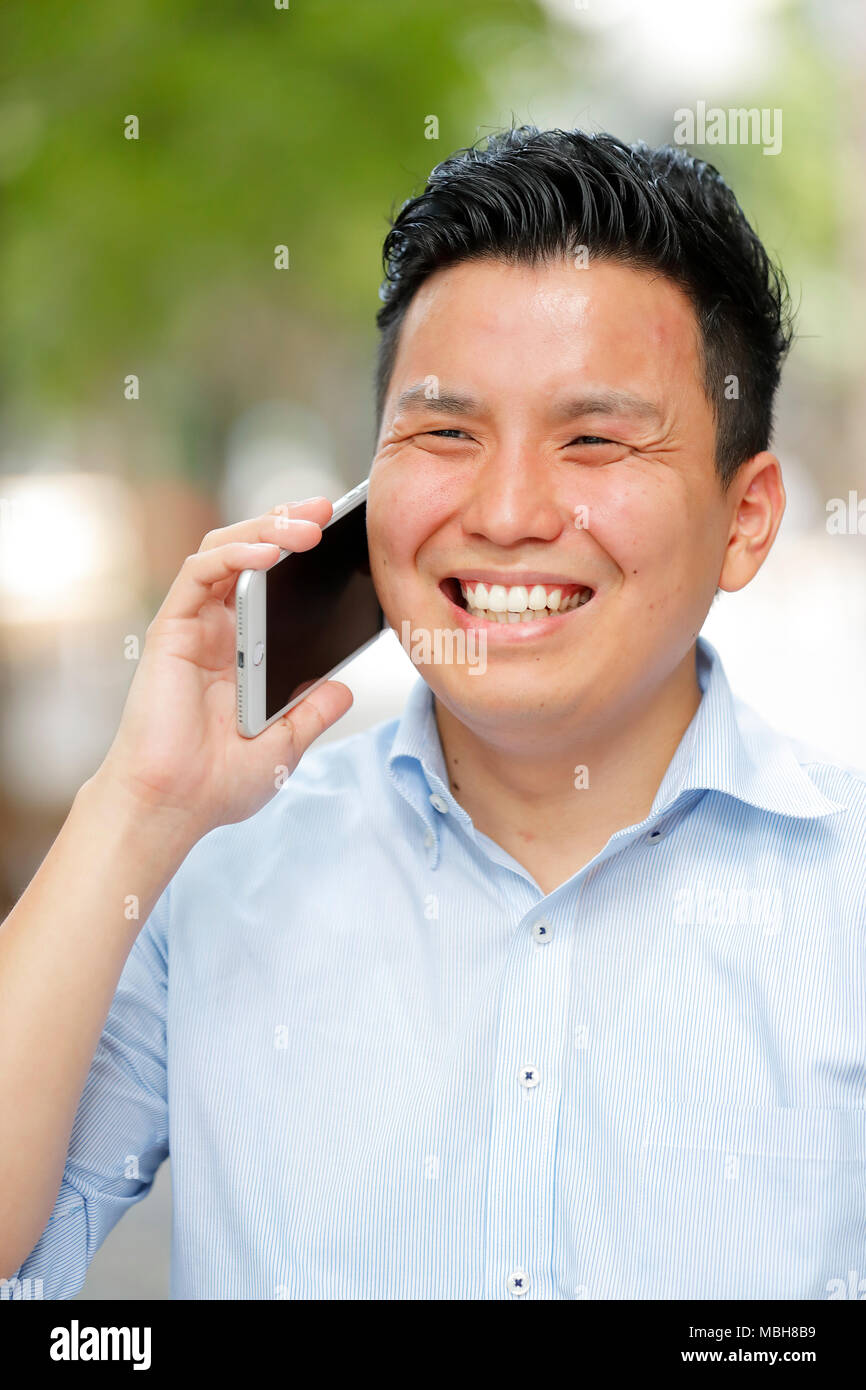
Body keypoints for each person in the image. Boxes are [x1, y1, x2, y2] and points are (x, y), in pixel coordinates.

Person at [2, 127, 864, 1301]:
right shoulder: (210, 875)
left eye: (595, 438)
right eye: (445, 431)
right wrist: (136, 807)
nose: (505, 510)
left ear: (746, 518)